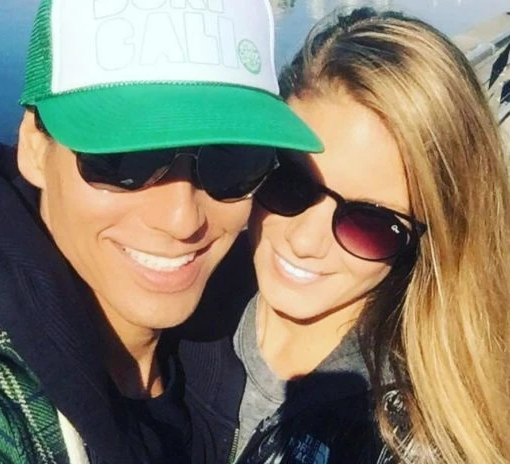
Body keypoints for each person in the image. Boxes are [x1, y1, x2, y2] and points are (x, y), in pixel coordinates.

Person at [0, 1, 322, 463]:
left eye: (232, 164)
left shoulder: (233, 322)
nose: (182, 220)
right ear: (35, 148)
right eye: (124, 161)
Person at [178, 7, 510, 464]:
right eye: (289, 182)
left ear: (430, 240)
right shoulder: (175, 298)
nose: (305, 242)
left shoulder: (411, 440)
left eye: (369, 222)